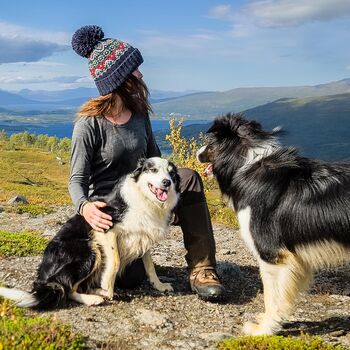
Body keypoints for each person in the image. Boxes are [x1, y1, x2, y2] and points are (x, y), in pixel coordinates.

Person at [69, 25, 225, 301]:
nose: (140, 74)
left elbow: (158, 161)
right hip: (115, 209)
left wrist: (171, 192)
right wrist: (85, 207)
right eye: (134, 70)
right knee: (131, 279)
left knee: (188, 178)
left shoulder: (140, 114)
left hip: (147, 193)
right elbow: (76, 179)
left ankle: (203, 269)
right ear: (119, 78)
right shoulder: (88, 124)